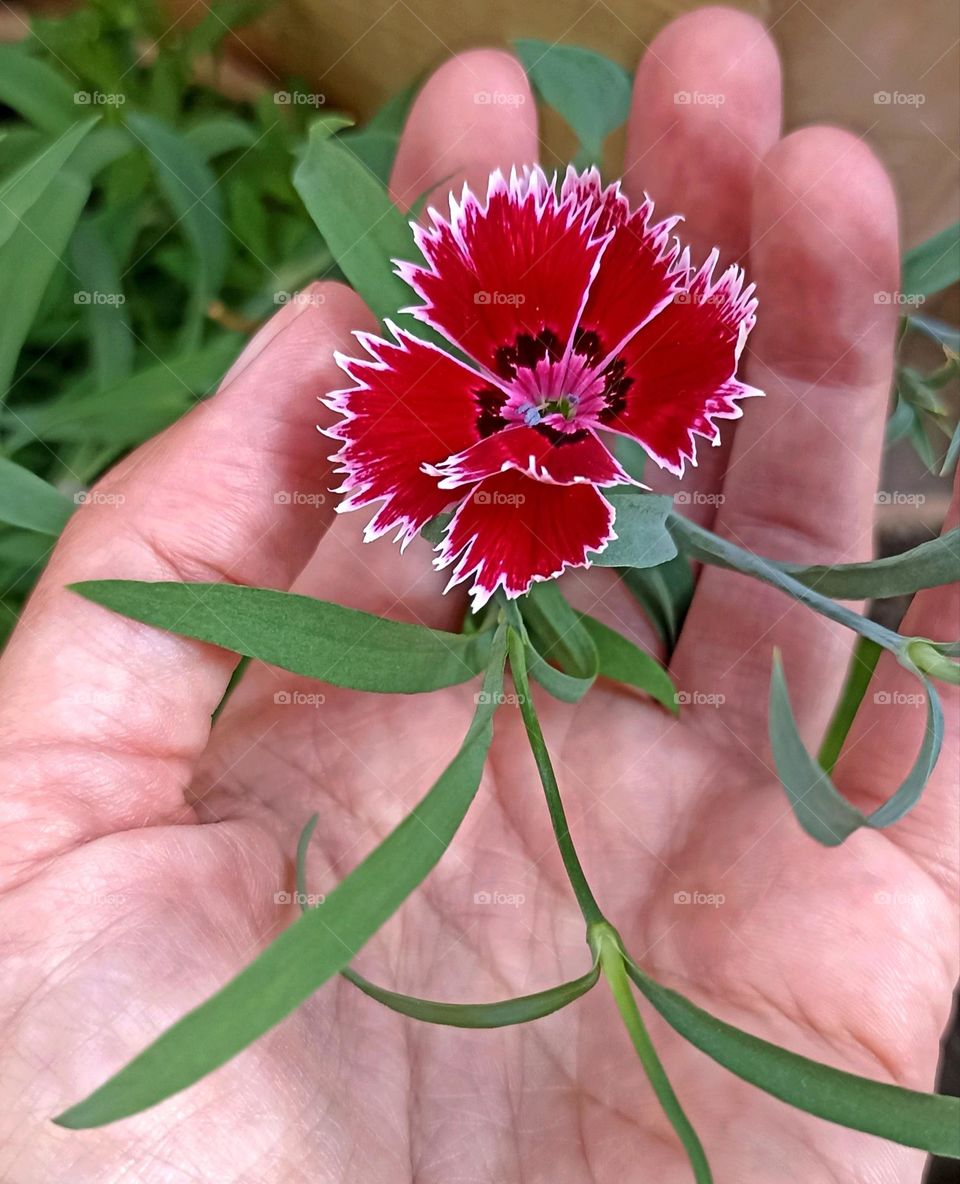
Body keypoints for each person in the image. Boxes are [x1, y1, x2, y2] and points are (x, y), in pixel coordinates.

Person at [0, 7, 956, 1181]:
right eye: (546, 405)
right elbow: (452, 494)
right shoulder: (462, 445)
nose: (559, 411)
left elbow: (637, 409)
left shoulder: (669, 366)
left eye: (572, 404)